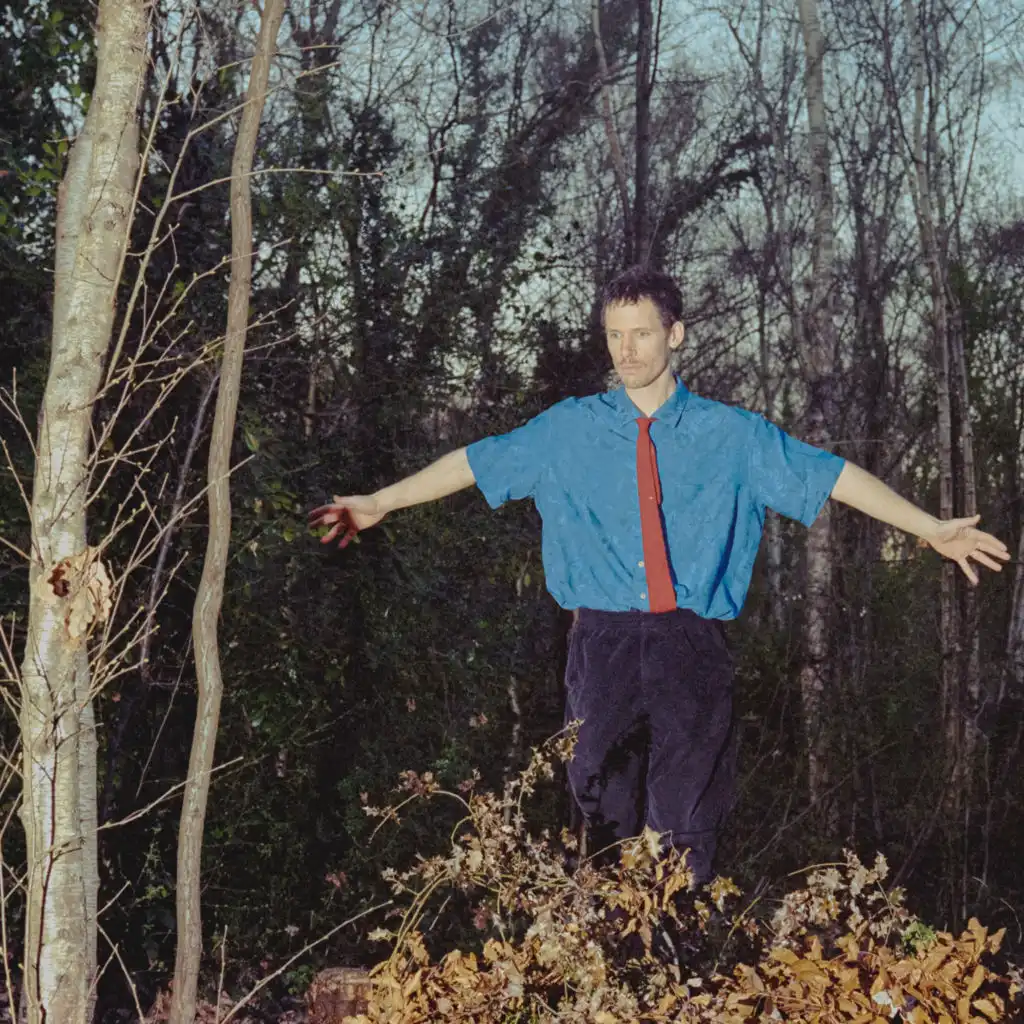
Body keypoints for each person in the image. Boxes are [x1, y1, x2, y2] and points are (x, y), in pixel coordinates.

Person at [308, 265, 1009, 886]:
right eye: (614, 335)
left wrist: (927, 526)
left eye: (641, 334)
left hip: (690, 644)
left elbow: (829, 476)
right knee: (602, 807)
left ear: (676, 335)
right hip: (601, 644)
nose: (626, 350)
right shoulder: (567, 429)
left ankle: (681, 958)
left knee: (687, 814)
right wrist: (379, 501)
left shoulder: (732, 435)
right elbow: (474, 461)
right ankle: (612, 964)